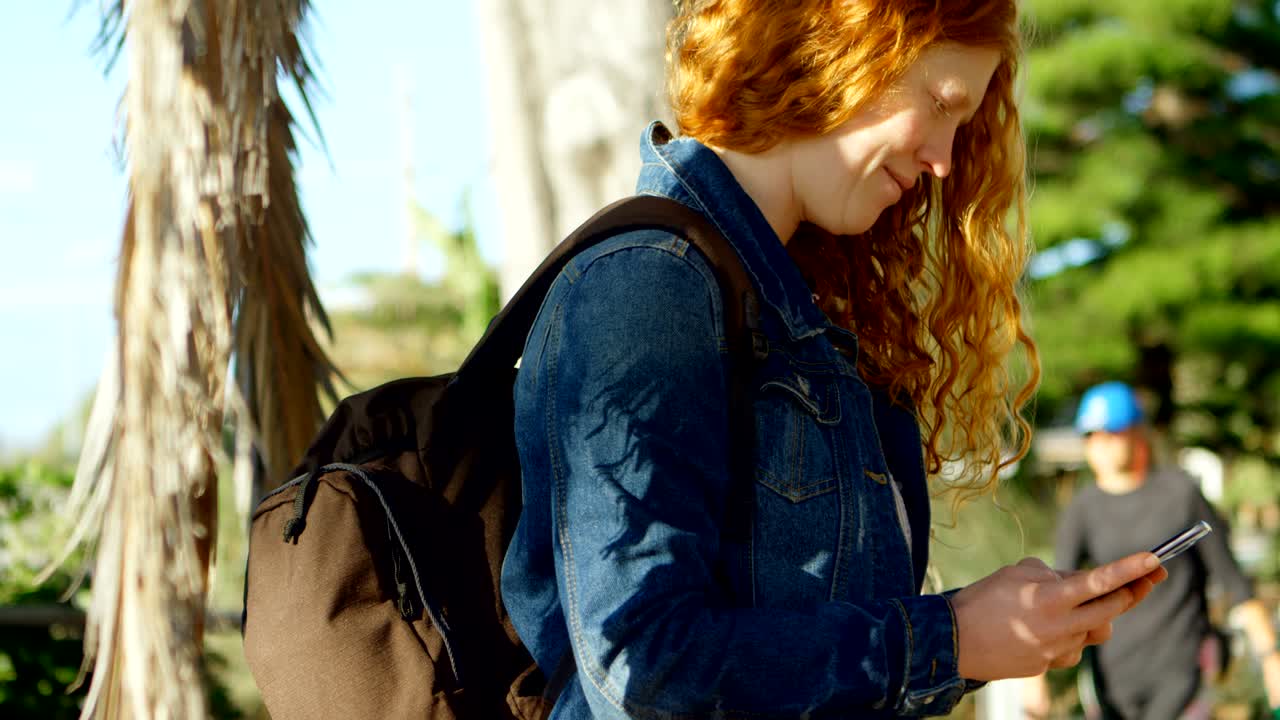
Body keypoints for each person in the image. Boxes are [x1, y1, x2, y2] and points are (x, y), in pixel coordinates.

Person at [501, 2, 1166, 717]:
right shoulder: (653, 285)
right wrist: (953, 637)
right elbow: (644, 671)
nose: (944, 160)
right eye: (941, 104)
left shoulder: (804, 318)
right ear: (840, 46)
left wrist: (989, 631)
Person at [1023, 381, 1280, 720]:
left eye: (1109, 433)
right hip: (1111, 682)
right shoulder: (1082, 509)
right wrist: (1034, 676)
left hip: (1181, 675)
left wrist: (1271, 658)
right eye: (1091, 436)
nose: (1098, 445)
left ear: (1136, 433)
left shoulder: (1181, 494)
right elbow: (1058, 596)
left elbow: (1233, 581)